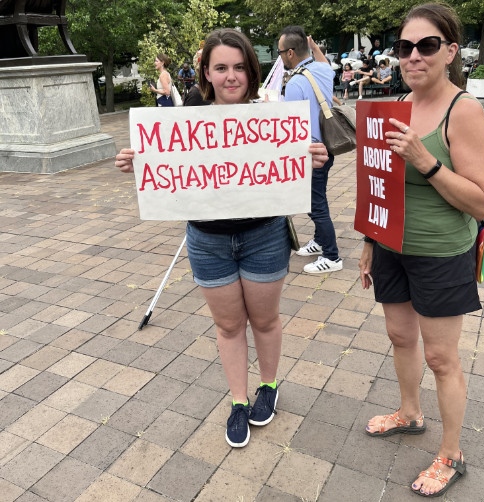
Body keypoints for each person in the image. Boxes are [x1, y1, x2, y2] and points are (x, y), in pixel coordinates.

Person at [115, 28, 329, 448]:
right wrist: (137, 158)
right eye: (221, 68)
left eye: (239, 67)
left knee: (265, 320)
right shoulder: (189, 113)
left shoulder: (273, 113)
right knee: (228, 326)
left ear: (250, 72)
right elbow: (169, 160)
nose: (231, 76)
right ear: (207, 74)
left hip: (264, 235)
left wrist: (315, 156)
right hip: (208, 241)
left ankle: (267, 386)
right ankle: (237, 400)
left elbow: (303, 156)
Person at [359, 3, 484, 498]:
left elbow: (481, 201)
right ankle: (410, 413)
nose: (413, 56)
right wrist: (370, 242)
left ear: (450, 51)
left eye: (427, 46)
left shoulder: (465, 110)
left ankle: (452, 452)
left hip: (441, 251)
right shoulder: (396, 103)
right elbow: (379, 182)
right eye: (403, 47)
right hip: (392, 244)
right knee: (399, 335)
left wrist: (426, 160)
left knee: (441, 356)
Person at [279, 25, 343, 274]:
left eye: (281, 52)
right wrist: (313, 45)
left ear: (291, 53)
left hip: (310, 152)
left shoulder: (295, 83)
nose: (280, 56)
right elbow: (322, 59)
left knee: (314, 204)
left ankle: (332, 256)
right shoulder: (324, 70)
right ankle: (319, 241)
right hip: (328, 146)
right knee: (318, 198)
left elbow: (292, 126)